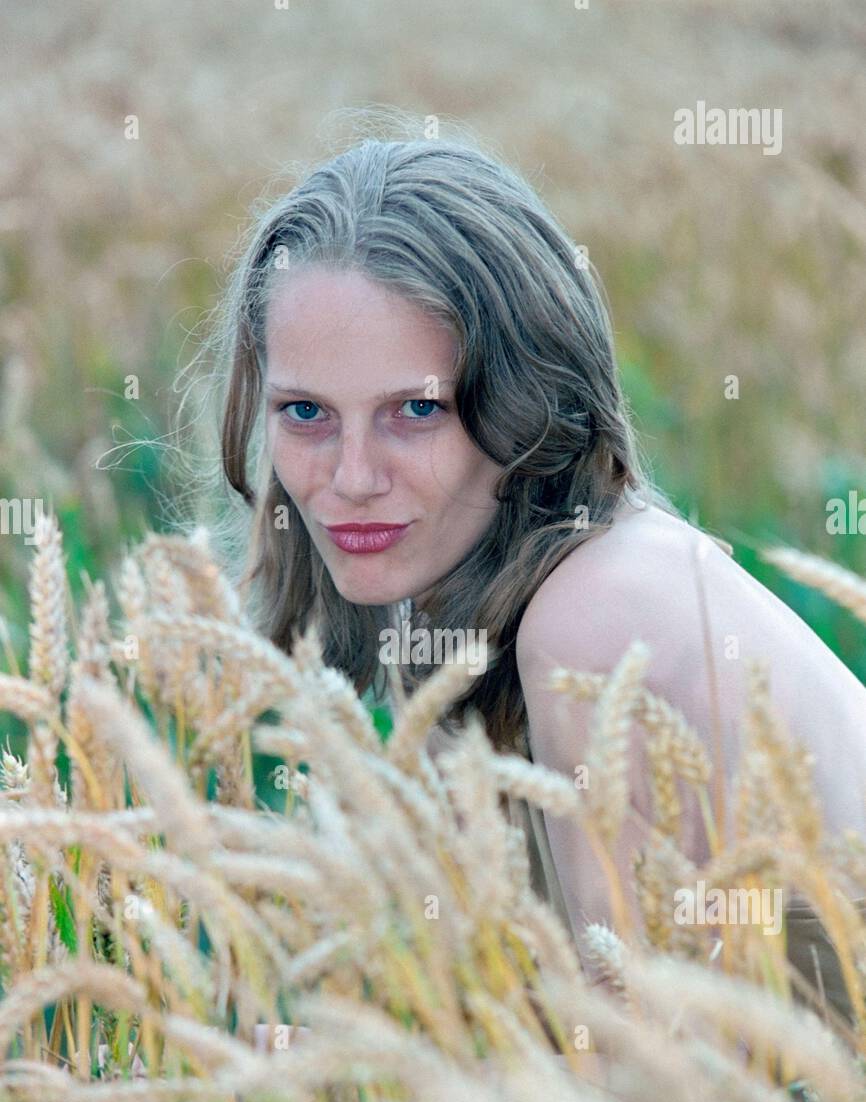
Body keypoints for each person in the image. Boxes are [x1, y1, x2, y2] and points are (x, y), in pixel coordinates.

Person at [201, 126, 866, 1032]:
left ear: (525, 406)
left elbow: (636, 1092)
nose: (350, 476)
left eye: (417, 409)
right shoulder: (452, 623)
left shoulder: (594, 614)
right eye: (306, 411)